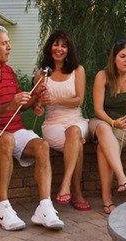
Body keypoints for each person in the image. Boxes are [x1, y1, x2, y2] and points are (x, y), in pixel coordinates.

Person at [0, 24, 64, 231]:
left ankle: (44, 207)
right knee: (6, 140)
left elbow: (19, 107)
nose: (9, 47)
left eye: (8, 42)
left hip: (13, 129)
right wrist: (10, 104)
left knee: (42, 146)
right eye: (5, 43)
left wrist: (35, 98)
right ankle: (2, 208)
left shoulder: (8, 71)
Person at [90, 39, 126, 214]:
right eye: (122, 56)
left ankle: (106, 198)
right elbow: (98, 109)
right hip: (102, 120)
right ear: (114, 59)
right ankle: (121, 176)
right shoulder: (103, 76)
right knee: (103, 130)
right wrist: (112, 122)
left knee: (103, 148)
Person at [34, 30, 91, 211]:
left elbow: (79, 101)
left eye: (64, 45)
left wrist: (56, 100)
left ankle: (65, 184)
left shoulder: (78, 70)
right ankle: (76, 192)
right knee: (77, 144)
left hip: (76, 119)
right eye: (56, 44)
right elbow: (38, 105)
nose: (59, 49)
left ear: (69, 49)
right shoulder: (41, 74)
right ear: (50, 47)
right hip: (53, 123)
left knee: (74, 131)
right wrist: (38, 106)